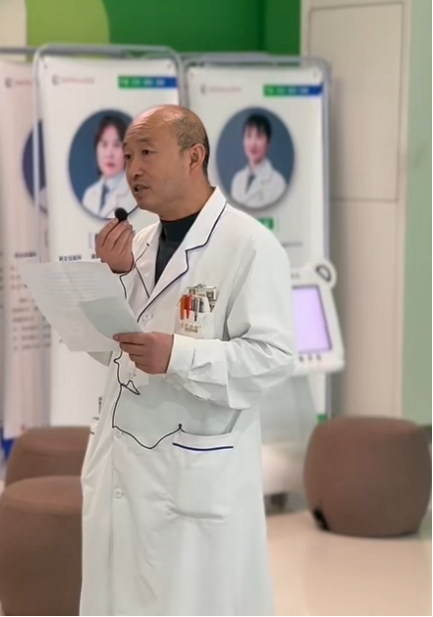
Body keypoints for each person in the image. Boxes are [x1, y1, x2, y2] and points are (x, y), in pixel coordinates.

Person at [84, 105, 296, 616]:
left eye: (147, 153)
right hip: (123, 462)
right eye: (128, 156)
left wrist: (178, 355)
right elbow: (112, 351)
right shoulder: (135, 247)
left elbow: (273, 358)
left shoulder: (249, 245)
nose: (132, 169)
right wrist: (110, 280)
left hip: (194, 471)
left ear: (194, 157)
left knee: (192, 598)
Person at [229, 112, 288, 209]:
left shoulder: (278, 182)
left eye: (259, 136)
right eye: (248, 136)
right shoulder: (237, 180)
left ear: (268, 142)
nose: (253, 143)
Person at [81, 115, 133, 219]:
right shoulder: (89, 195)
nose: (109, 154)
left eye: (117, 145)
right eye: (104, 144)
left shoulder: (134, 195)